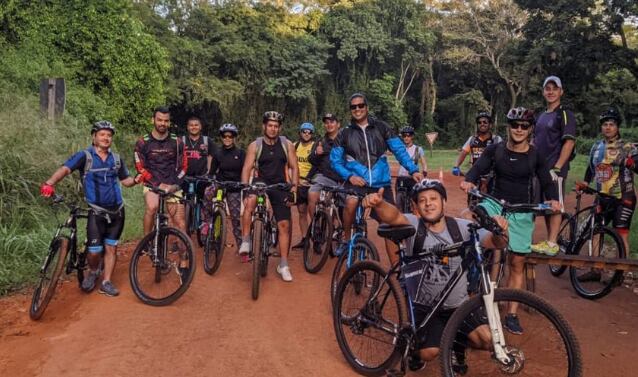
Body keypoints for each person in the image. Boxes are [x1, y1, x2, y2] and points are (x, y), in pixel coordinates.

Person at [361, 179, 508, 369]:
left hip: (459, 305)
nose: (428, 203)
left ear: (444, 203)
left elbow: (496, 243)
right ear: (416, 208)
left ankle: (455, 344)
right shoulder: (414, 225)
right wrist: (379, 203)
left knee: (487, 340)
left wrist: (501, 230)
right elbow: (393, 216)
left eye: (433, 198)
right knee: (428, 352)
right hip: (426, 307)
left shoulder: (461, 227)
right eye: (422, 200)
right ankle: (419, 350)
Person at [461, 107, 561, 335]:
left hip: (522, 211)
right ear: (508, 127)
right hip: (495, 204)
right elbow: (477, 169)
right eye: (514, 125)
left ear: (530, 130)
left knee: (517, 263)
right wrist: (468, 181)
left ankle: (512, 313)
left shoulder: (536, 155)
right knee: (469, 217)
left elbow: (546, 182)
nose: (518, 129)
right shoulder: (495, 150)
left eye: (523, 126)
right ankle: (471, 278)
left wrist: (553, 199)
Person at [40, 121, 139, 297]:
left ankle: (106, 282)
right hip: (96, 212)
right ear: (94, 137)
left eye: (109, 135)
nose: (106, 138)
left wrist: (138, 179)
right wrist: (49, 183)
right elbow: (65, 169)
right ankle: (93, 271)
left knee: (111, 248)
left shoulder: (116, 159)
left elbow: (126, 181)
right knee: (94, 252)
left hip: (117, 211)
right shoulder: (84, 156)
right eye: (102, 134)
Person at [330, 93, 424, 263]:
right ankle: (345, 236)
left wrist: (413, 170)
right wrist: (350, 176)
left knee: (391, 226)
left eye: (360, 105)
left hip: (381, 184)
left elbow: (399, 151)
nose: (357, 109)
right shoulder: (344, 133)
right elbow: (335, 161)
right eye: (353, 107)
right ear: (350, 110)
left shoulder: (382, 127)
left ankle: (398, 271)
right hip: (357, 183)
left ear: (366, 107)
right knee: (350, 202)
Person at [575, 108, 638, 280]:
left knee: (621, 233)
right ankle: (595, 270)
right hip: (602, 196)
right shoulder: (596, 146)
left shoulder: (627, 147)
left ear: (617, 127)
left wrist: (627, 161)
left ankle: (620, 273)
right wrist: (586, 182)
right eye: (605, 124)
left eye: (612, 124)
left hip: (623, 198)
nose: (608, 127)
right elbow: (590, 168)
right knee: (595, 232)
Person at [240, 111, 299, 282]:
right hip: (260, 183)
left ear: (280, 128)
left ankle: (284, 264)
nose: (273, 129)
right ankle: (246, 241)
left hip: (280, 185)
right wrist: (245, 189)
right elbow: (246, 168)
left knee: (284, 224)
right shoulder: (255, 145)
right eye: (270, 125)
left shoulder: (287, 144)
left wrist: (293, 191)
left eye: (276, 126)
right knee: (250, 203)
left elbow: (294, 167)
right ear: (264, 126)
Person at [530, 76, 577, 256]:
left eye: (554, 88)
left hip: (554, 168)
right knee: (547, 205)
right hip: (540, 169)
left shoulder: (564, 114)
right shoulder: (541, 116)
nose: (550, 92)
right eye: (547, 88)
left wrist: (557, 166)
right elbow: (536, 141)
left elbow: (569, 142)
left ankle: (552, 242)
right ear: (543, 92)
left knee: (555, 204)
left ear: (561, 92)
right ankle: (551, 241)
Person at [134, 106, 188, 236]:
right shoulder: (142, 142)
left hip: (172, 184)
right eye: (159, 120)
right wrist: (157, 184)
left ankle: (185, 253)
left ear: (169, 122)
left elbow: (184, 167)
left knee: (180, 223)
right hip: (151, 183)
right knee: (152, 208)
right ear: (153, 120)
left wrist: (175, 185)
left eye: (165, 121)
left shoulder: (177, 142)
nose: (162, 123)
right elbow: (140, 167)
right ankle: (146, 241)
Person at [207, 123, 245, 248]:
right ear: (221, 137)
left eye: (230, 136)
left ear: (234, 137)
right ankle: (208, 228)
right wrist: (209, 180)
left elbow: (245, 171)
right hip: (221, 186)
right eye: (224, 136)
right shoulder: (218, 154)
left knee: (235, 218)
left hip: (234, 187)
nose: (227, 138)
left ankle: (241, 246)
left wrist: (243, 184)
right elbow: (212, 172)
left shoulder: (240, 153)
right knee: (207, 194)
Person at [452, 112, 503, 192]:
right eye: (479, 122)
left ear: (490, 125)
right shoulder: (472, 140)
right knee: (472, 201)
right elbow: (463, 153)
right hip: (475, 176)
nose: (482, 124)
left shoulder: (496, 140)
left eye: (485, 122)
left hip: (491, 178)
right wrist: (456, 166)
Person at [307, 113, 343, 220]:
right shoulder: (320, 142)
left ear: (338, 124)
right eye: (326, 123)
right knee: (312, 193)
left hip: (344, 179)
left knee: (347, 204)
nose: (329, 125)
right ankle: (315, 225)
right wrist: (317, 154)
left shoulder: (346, 141)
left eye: (332, 122)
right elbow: (312, 160)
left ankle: (341, 230)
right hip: (325, 177)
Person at [292, 122, 316, 249]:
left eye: (309, 132)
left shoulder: (315, 146)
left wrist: (310, 179)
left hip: (311, 183)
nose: (306, 134)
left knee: (314, 213)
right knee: (302, 212)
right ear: (300, 132)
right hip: (299, 183)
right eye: (304, 131)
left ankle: (317, 239)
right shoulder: (295, 145)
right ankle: (304, 239)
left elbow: (318, 165)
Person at [181, 115, 215, 200]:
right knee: (183, 203)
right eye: (191, 125)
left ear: (200, 127)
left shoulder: (207, 141)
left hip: (202, 178)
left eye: (196, 125)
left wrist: (210, 173)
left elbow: (213, 157)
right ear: (187, 127)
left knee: (203, 202)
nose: (194, 127)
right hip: (185, 178)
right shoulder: (181, 140)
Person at [395, 126, 428, 213]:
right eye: (404, 136)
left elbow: (424, 163)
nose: (406, 137)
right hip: (401, 176)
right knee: (398, 202)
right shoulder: (400, 149)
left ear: (412, 136)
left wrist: (424, 171)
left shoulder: (418, 149)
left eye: (408, 135)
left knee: (415, 201)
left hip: (413, 177)